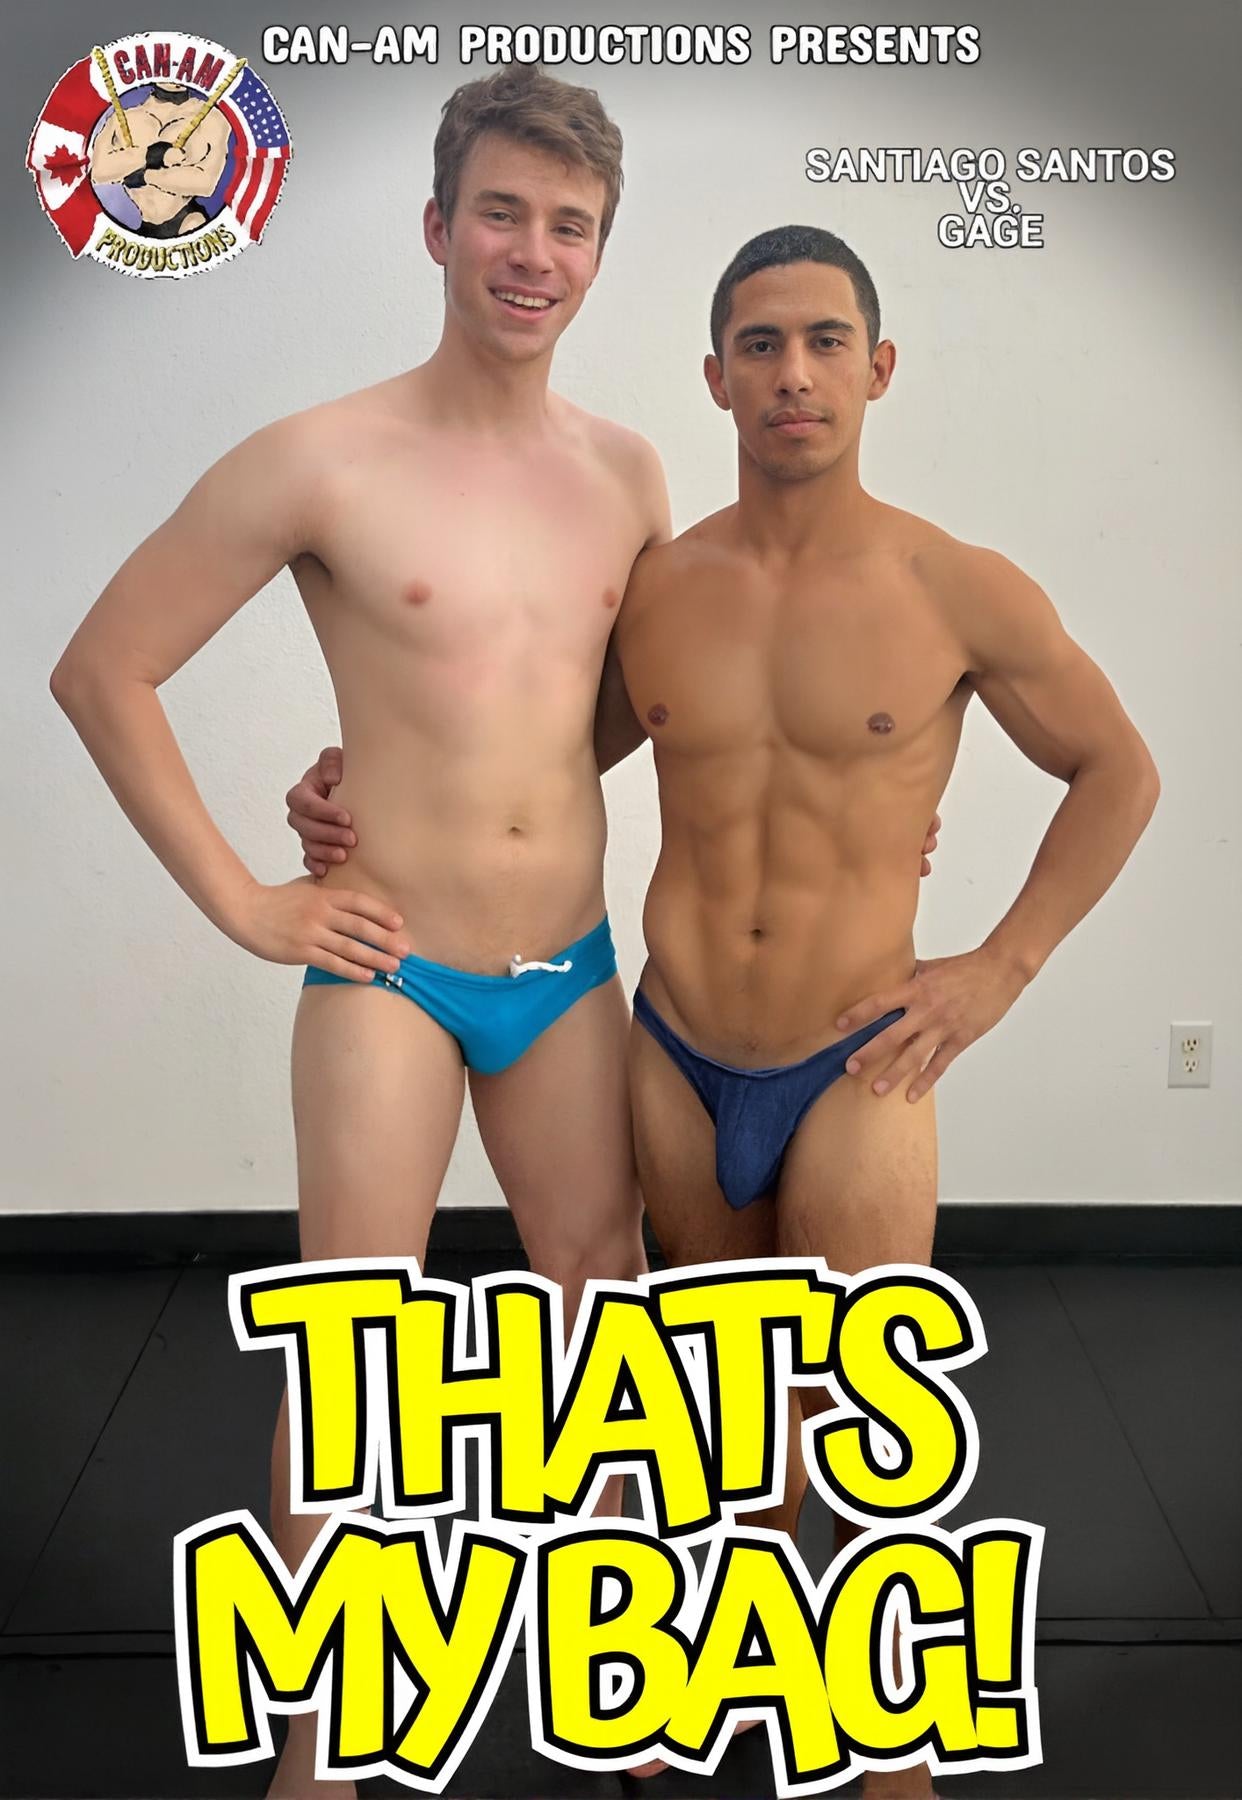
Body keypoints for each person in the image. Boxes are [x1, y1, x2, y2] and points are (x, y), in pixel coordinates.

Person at [292, 225, 1158, 1798]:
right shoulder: (659, 591)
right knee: (710, 1418)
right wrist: (356, 795)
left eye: (824, 342)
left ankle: (886, 1748)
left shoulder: (954, 587)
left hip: (855, 1056)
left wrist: (997, 967)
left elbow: (1118, 771)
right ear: (713, 378)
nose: (792, 374)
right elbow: (526, 761)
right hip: (677, 1049)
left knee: (866, 1421)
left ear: (876, 368)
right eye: (759, 345)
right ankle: (695, 1689)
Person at [52, 64, 672, 1800]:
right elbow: (102, 671)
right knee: (359, 1347)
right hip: (390, 967)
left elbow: (628, 708)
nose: (532, 253)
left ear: (598, 251)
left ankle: (627, 1698)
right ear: (435, 227)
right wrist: (251, 898)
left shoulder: (629, 474)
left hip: (566, 968)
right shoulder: (321, 457)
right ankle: (320, 1758)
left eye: (568, 226)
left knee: (603, 1329)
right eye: (501, 214)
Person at [89, 78, 230, 237]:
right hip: (145, 227)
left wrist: (145, 176)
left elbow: (205, 184)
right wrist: (152, 155)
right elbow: (98, 172)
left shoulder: (212, 117)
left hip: (188, 221)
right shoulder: (124, 118)